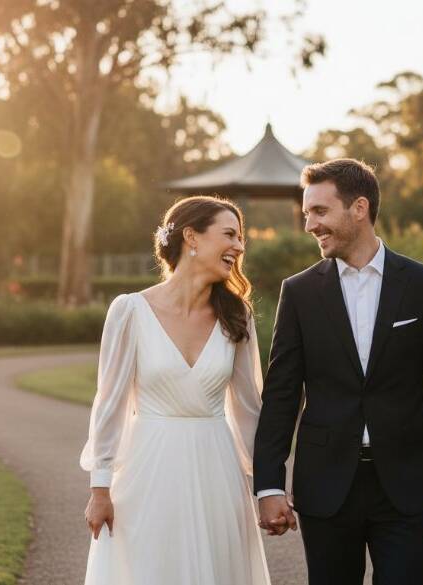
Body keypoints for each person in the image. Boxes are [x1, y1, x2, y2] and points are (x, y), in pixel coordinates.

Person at [254, 159, 423, 585]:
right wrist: (269, 486)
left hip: (406, 485)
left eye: (319, 212)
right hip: (326, 487)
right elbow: (281, 394)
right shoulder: (298, 292)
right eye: (306, 214)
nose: (309, 225)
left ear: (359, 208)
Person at [80, 195, 270, 585]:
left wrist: (269, 488)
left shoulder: (238, 317)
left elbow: (250, 411)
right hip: (148, 468)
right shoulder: (130, 311)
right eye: (229, 234)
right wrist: (100, 487)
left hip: (217, 472)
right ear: (191, 237)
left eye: (241, 238)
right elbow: (109, 404)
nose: (239, 246)